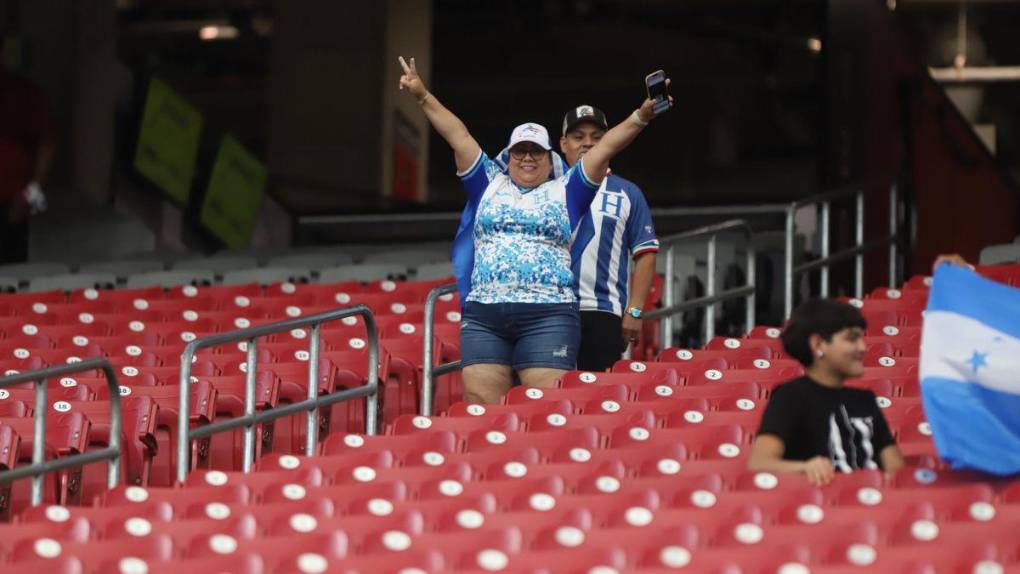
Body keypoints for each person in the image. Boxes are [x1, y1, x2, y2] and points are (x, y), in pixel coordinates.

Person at [398, 56, 670, 404]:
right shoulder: (487, 182)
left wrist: (642, 115)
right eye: (520, 151)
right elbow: (457, 134)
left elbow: (607, 145)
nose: (528, 158)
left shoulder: (569, 190)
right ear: (508, 155)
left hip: (549, 315)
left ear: (549, 154)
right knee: (483, 410)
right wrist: (422, 96)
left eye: (536, 151)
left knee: (545, 409)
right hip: (486, 314)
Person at [747, 298, 905, 485]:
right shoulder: (790, 397)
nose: (862, 347)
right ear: (818, 344)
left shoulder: (866, 400)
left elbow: (895, 467)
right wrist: (805, 468)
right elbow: (760, 462)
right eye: (851, 338)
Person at [560, 105, 659, 371]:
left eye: (597, 136)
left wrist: (635, 311)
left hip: (603, 311)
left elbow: (646, 253)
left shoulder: (627, 192)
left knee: (594, 397)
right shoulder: (548, 188)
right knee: (550, 394)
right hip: (551, 309)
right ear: (563, 143)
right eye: (578, 136)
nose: (588, 143)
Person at [0, 34, 55, 264]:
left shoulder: (26, 92)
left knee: (11, 276)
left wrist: (30, 196)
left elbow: (46, 146)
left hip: (12, 201)